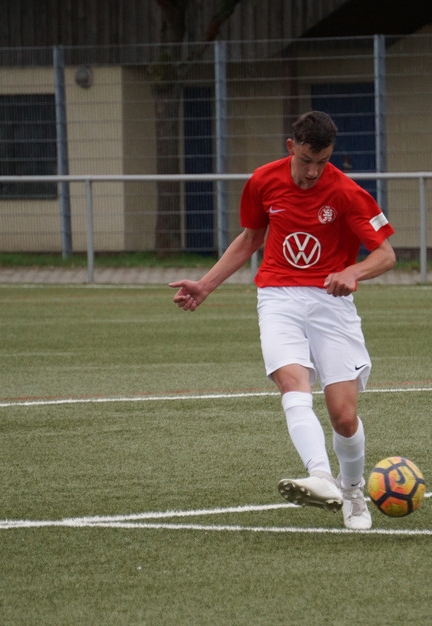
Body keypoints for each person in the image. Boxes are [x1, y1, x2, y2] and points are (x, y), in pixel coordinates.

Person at [169, 110, 396, 530]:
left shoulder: (347, 193)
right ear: (291, 147)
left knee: (343, 416)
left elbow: (385, 255)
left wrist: (353, 271)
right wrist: (205, 285)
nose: (313, 171)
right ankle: (320, 475)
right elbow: (250, 238)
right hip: (278, 296)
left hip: (330, 303)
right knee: (293, 383)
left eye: (322, 162)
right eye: (306, 160)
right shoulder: (263, 181)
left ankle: (352, 492)